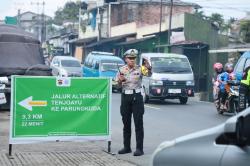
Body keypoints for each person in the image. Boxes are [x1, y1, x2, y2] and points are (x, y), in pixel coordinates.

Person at [116, 49, 151, 156]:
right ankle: (127, 147)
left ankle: (139, 149)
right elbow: (117, 86)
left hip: (137, 97)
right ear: (126, 59)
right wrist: (120, 81)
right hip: (125, 97)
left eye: (134, 58)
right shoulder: (121, 70)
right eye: (130, 58)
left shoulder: (140, 69)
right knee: (126, 123)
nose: (132, 60)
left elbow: (148, 74)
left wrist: (149, 67)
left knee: (138, 123)